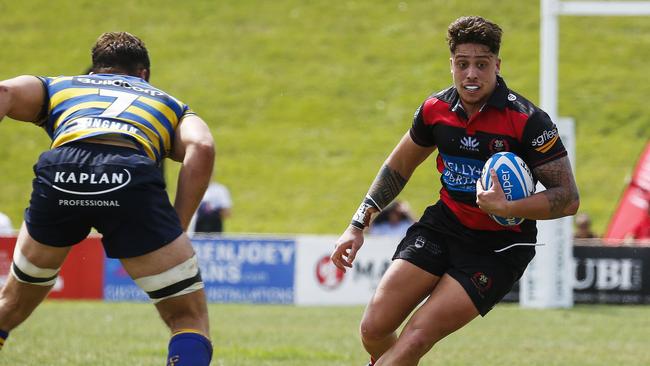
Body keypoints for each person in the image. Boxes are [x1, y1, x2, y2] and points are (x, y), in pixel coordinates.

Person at [331, 16, 580, 366]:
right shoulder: (436, 110)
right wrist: (357, 225)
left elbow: (568, 197)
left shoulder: (527, 120)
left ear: (497, 64)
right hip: (443, 228)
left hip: (498, 248)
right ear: (452, 65)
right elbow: (398, 167)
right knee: (374, 329)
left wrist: (510, 207)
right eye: (462, 64)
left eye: (481, 64)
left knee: (416, 336)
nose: (471, 74)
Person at [0, 32, 215, 365]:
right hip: (130, 174)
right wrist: (177, 227)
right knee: (187, 317)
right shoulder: (170, 104)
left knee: (11, 305)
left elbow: (4, 92)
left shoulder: (60, 86)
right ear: (143, 74)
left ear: (94, 72)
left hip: (62, 173)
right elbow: (202, 147)